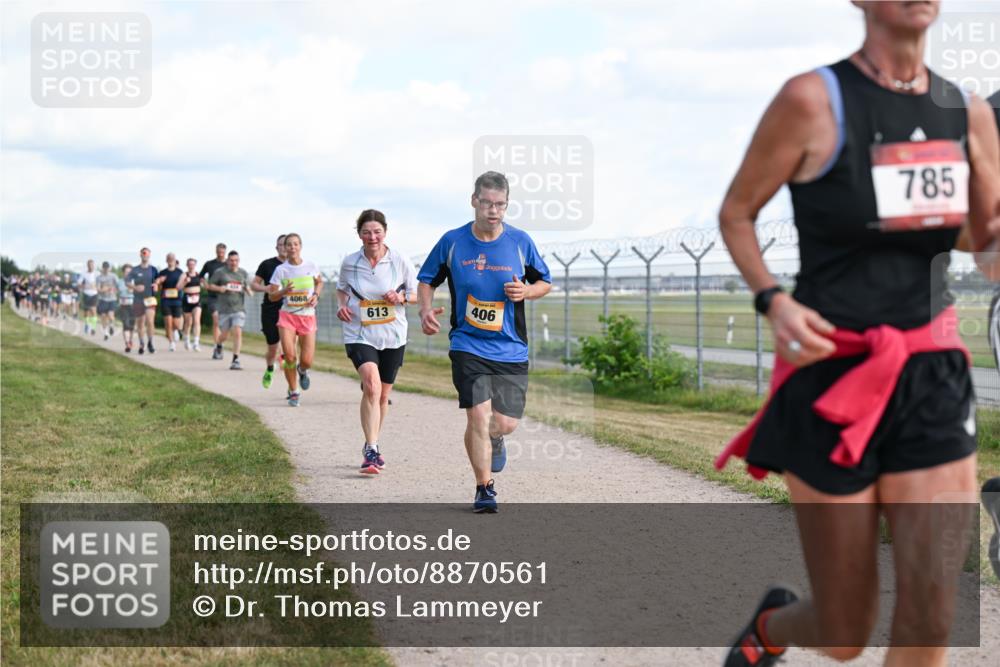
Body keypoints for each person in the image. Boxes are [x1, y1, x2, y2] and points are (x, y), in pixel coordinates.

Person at [714, 2, 1000, 665]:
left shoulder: (969, 114)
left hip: (930, 371)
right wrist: (772, 300)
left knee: (931, 614)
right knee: (844, 630)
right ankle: (770, 630)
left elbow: (980, 244)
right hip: (830, 370)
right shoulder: (813, 100)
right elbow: (736, 211)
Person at [417, 171, 552, 512]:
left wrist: (527, 291)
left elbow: (545, 282)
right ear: (474, 201)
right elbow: (427, 280)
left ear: (507, 205)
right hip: (467, 344)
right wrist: (425, 311)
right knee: (477, 415)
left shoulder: (520, 242)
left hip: (510, 347)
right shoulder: (453, 241)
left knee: (504, 423)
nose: (494, 210)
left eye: (501, 204)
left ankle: (496, 438)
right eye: (488, 203)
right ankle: (484, 488)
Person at [337, 210, 418, 474]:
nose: (372, 237)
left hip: (393, 334)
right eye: (366, 232)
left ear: (385, 232)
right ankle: (371, 450)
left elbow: (416, 293)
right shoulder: (350, 262)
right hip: (359, 332)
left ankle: (373, 442)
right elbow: (342, 289)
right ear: (359, 233)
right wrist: (342, 306)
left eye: (377, 231)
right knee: (371, 385)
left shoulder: (399, 260)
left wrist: (401, 298)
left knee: (382, 395)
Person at [268, 233, 323, 407]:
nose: (292, 247)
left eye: (295, 244)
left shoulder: (311, 265)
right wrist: (284, 291)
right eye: (288, 245)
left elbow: (319, 282)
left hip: (307, 315)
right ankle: (293, 391)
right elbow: (271, 296)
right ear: (284, 248)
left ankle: (303, 370)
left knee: (307, 360)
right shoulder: (281, 270)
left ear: (300, 246)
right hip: (287, 316)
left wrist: (315, 295)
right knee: (290, 356)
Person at [251, 234, 287, 389]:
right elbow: (254, 284)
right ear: (277, 247)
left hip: (291, 310)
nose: (284, 247)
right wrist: (265, 288)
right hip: (270, 310)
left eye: (287, 244)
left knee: (289, 347)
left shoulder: (299, 267)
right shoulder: (267, 264)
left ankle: (292, 385)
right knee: (273, 348)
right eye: (281, 245)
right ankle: (270, 368)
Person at [206, 250, 252, 370]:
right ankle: (219, 345)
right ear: (227, 261)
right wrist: (219, 288)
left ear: (239, 261)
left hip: (238, 308)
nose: (233, 263)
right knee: (224, 335)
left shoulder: (243, 273)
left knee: (237, 331)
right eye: (231, 260)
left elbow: (247, 288)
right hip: (224, 309)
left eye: (236, 260)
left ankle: (235, 359)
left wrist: (248, 290)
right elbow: (210, 285)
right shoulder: (220, 272)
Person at [128, 248, 159, 354]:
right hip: (138, 299)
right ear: (140, 255)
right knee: (140, 323)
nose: (145, 255)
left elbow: (157, 281)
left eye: (147, 253)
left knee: (150, 321)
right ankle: (142, 343)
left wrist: (156, 285)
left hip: (150, 298)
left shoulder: (153, 269)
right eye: (143, 253)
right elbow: (127, 281)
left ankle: (150, 342)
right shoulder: (135, 269)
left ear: (149, 255)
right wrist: (135, 287)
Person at [199, 243, 228, 355]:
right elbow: (200, 276)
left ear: (225, 252)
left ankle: (220, 343)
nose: (220, 254)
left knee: (225, 324)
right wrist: (205, 284)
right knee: (216, 321)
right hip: (213, 296)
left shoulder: (228, 264)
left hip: (226, 298)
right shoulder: (210, 264)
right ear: (215, 251)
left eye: (222, 252)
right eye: (218, 252)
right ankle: (217, 347)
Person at [155, 253, 185, 351]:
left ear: (175, 260)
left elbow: (183, 285)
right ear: (166, 260)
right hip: (166, 300)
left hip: (177, 301)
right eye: (169, 258)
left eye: (172, 258)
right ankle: (171, 343)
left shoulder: (180, 272)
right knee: (168, 322)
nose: (171, 260)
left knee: (176, 323)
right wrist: (160, 282)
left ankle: (176, 330)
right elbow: (158, 287)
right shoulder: (162, 272)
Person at [178, 258, 204, 351]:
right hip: (187, 300)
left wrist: (203, 283)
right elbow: (178, 287)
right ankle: (186, 340)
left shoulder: (198, 275)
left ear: (195, 265)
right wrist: (185, 281)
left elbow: (204, 285)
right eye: (189, 264)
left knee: (197, 320)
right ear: (187, 265)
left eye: (193, 264)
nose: (191, 266)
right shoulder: (184, 275)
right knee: (188, 322)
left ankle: (196, 343)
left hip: (197, 299)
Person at [95, 261, 119, 340]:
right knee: (103, 317)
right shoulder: (99, 277)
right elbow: (98, 289)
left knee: (111, 316)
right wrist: (103, 289)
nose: (106, 269)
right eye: (104, 268)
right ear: (102, 268)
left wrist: (114, 290)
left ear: (109, 268)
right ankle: (106, 333)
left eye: (107, 268)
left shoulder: (113, 276)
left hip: (112, 299)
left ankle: (111, 326)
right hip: (102, 299)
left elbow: (118, 286)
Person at [117, 264, 136, 352]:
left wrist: (133, 290)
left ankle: (130, 340)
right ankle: (127, 343)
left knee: (131, 325)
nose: (128, 274)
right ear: (123, 273)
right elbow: (115, 291)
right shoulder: (119, 281)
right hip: (123, 305)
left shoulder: (135, 281)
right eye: (126, 272)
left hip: (133, 305)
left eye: (129, 272)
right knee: (126, 324)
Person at [78, 260, 99, 334]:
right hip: (86, 294)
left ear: (94, 265)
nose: (91, 266)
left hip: (94, 294)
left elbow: (100, 283)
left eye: (92, 265)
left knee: (93, 310)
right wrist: (85, 286)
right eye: (89, 265)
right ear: (87, 266)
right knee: (86, 312)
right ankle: (87, 324)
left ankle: (93, 327)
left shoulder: (97, 274)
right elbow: (79, 283)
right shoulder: (84, 274)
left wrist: (96, 286)